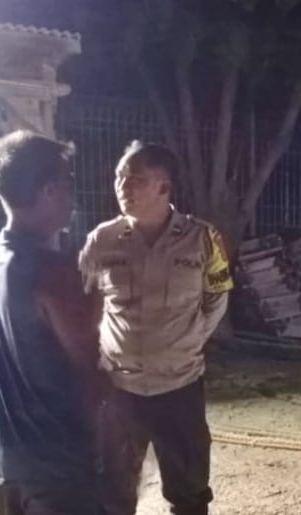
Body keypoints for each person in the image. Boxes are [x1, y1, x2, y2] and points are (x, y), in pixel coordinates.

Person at [79, 141, 233, 515]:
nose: (123, 186)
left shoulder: (203, 239)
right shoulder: (102, 240)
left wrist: (188, 341)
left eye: (136, 179)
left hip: (180, 387)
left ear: (163, 186)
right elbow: (85, 302)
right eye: (120, 177)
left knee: (190, 493)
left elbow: (217, 296)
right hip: (120, 389)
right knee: (113, 494)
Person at [0, 131, 106, 514]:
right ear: (49, 191)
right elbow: (90, 362)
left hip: (6, 457)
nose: (72, 195)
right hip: (56, 463)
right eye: (68, 182)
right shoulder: (53, 272)